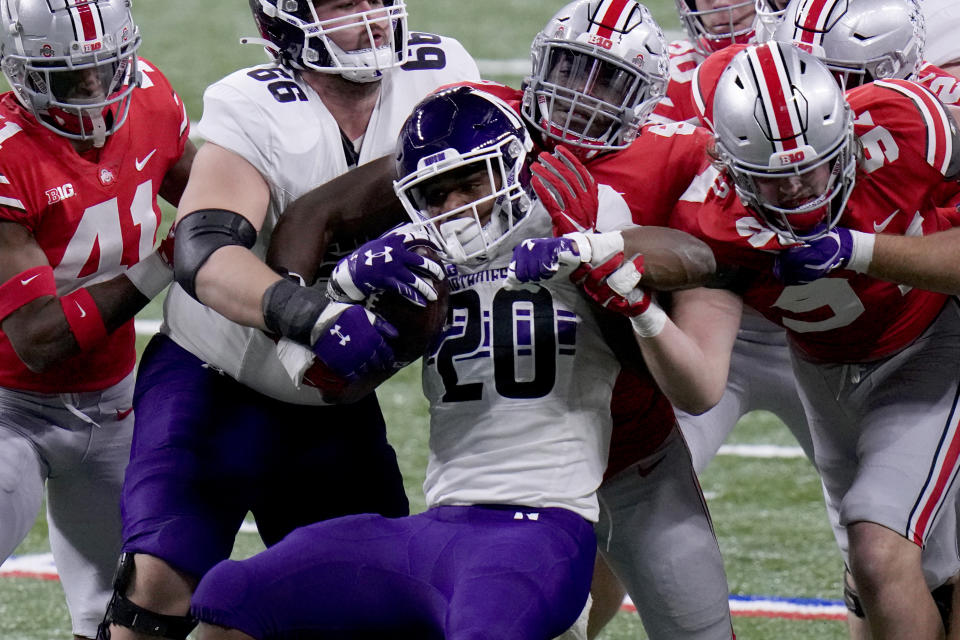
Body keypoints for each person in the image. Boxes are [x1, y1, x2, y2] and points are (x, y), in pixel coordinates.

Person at [189, 82, 736, 640]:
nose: (455, 208)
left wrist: (592, 247)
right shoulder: (420, 260)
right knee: (230, 597)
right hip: (443, 526)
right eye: (435, 194)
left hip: (540, 527)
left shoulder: (566, 224)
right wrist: (344, 289)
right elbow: (335, 382)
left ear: (511, 170)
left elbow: (694, 258)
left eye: (469, 183)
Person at [97, 2, 479, 640]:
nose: (373, 17)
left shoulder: (440, 74)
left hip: (332, 400)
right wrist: (313, 316)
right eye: (343, 5)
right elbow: (205, 251)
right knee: (161, 580)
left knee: (371, 600)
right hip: (214, 379)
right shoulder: (255, 103)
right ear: (286, 19)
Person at [675, 41, 960, 639]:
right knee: (874, 569)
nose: (802, 190)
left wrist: (860, 249)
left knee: (882, 547)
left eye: (815, 166)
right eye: (775, 180)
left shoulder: (906, 124)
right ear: (729, 165)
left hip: (933, 343)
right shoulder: (710, 214)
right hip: (822, 370)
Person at [0, 0, 194, 638]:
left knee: (115, 615)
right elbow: (38, 340)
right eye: (66, 77)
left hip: (112, 400)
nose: (91, 92)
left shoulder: (154, 99)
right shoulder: (7, 152)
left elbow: (208, 198)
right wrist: (164, 262)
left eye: (105, 68)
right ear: (22, 73)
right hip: (10, 407)